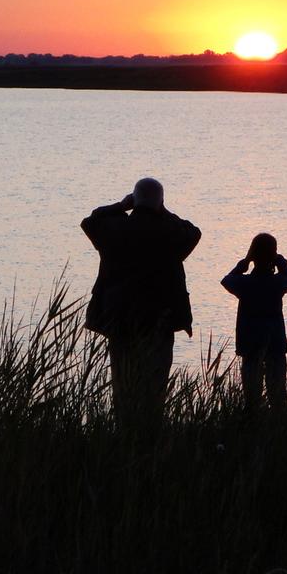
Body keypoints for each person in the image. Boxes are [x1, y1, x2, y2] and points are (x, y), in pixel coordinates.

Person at [81, 178, 201, 419]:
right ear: (161, 203)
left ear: (133, 200)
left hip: (120, 319)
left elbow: (90, 221)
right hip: (160, 320)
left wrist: (120, 206)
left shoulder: (115, 229)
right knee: (155, 385)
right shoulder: (170, 232)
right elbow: (193, 232)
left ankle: (126, 434)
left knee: (123, 384)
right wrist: (164, 213)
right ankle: (150, 432)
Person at [220, 232, 287, 409]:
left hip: (250, 345)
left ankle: (253, 426)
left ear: (252, 255)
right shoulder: (277, 283)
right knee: (278, 397)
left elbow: (226, 280)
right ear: (274, 256)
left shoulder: (244, 284)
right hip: (275, 344)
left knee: (251, 399)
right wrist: (282, 264)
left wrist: (243, 264)